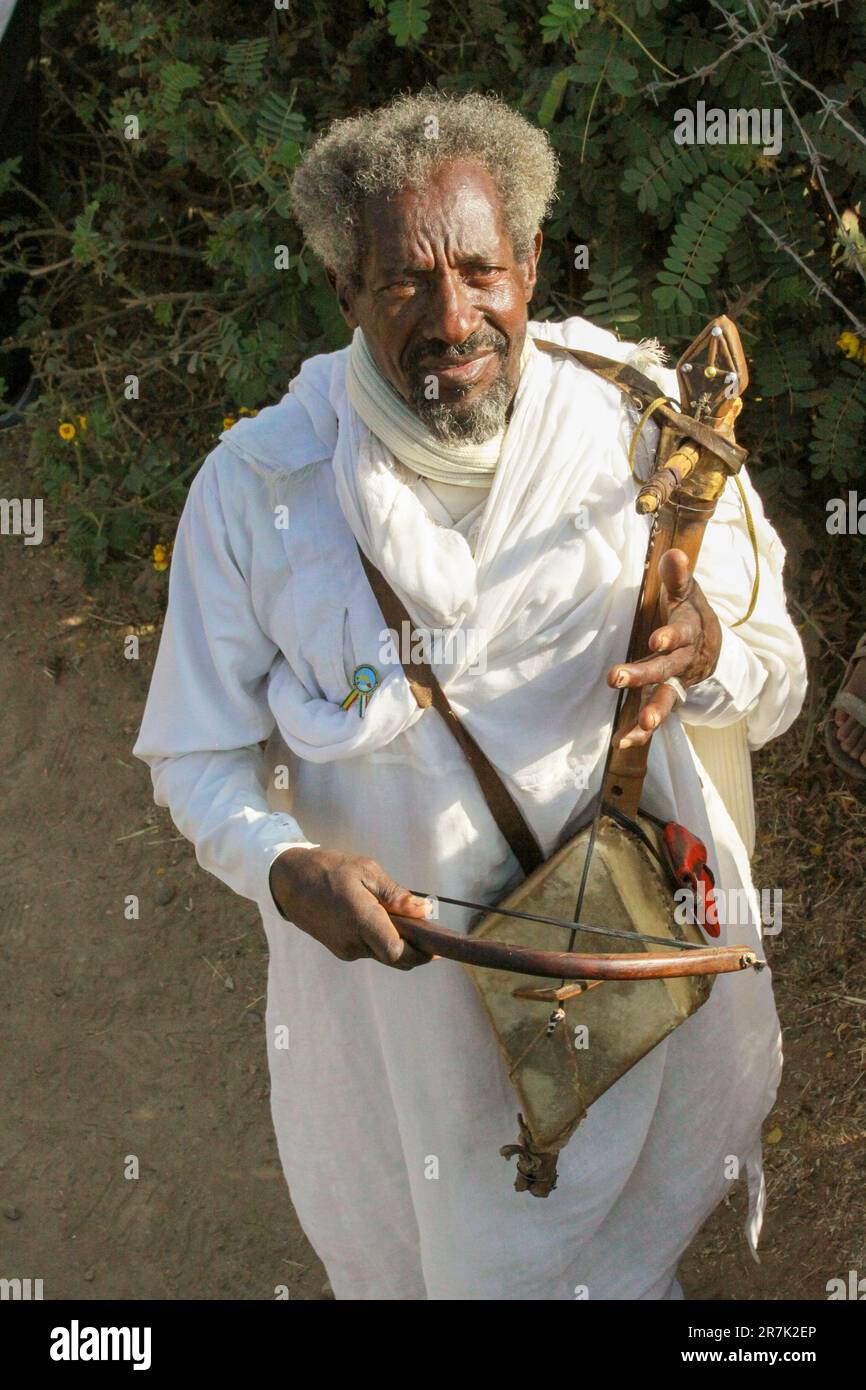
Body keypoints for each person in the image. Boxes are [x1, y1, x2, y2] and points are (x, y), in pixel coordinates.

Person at [134, 91, 807, 1300]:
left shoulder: (646, 426)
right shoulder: (260, 491)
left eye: (482, 272)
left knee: (619, 1254)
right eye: (403, 284)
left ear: (531, 261)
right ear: (343, 290)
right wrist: (286, 868)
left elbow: (776, 677)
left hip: (620, 981)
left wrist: (708, 650)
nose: (455, 320)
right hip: (402, 1025)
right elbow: (194, 757)